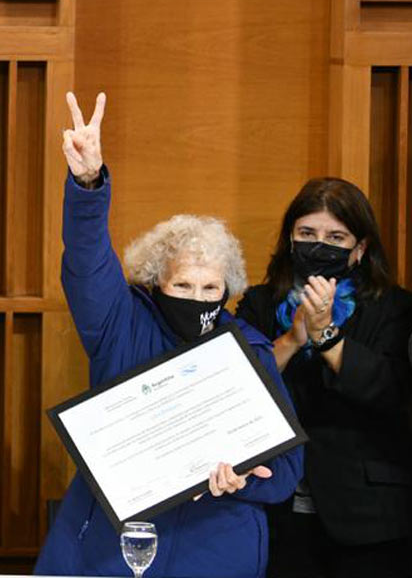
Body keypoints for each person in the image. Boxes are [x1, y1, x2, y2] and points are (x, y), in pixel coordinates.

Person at [35, 92, 302, 578]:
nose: (197, 298)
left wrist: (243, 479)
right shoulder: (122, 322)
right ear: (155, 282)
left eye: (210, 288)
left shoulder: (249, 351)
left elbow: (286, 473)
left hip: (217, 551)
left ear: (229, 290)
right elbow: (87, 260)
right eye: (182, 284)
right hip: (116, 549)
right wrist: (88, 183)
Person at [236, 177, 412, 578]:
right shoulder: (258, 304)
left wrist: (327, 338)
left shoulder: (396, 308)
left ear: (360, 249)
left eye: (336, 236)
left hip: (370, 519)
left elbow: (395, 391)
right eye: (307, 233)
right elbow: (234, 391)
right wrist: (291, 339)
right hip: (277, 511)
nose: (319, 245)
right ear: (290, 238)